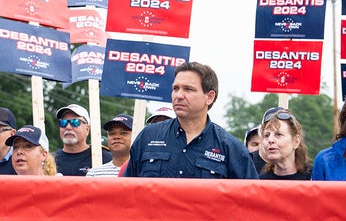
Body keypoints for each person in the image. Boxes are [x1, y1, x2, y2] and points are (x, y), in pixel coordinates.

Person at [123, 61, 258, 179]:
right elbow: (126, 192)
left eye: (188, 89)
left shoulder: (232, 149)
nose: (179, 95)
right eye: (175, 88)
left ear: (209, 97)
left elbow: (249, 201)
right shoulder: (148, 136)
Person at [53, 104, 111, 176]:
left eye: (75, 122)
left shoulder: (104, 158)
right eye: (63, 123)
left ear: (87, 129)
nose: (68, 127)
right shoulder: (51, 161)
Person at [259, 108, 311, 180]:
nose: (270, 140)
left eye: (278, 135)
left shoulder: (314, 177)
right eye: (266, 135)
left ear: (296, 141)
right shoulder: (260, 182)